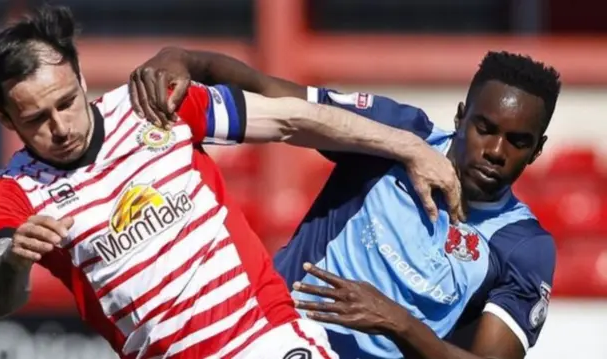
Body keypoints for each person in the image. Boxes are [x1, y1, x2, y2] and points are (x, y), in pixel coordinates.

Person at [0, 5, 464, 359]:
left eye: (65, 102)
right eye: (36, 117)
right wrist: (14, 259)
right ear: (3, 116)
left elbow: (294, 120)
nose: (59, 126)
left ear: (80, 78)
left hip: (266, 339)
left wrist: (409, 147)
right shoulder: (15, 193)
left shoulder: (153, 106)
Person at [129, 48, 560, 359]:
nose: (496, 151)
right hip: (264, 339)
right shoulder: (395, 134)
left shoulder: (524, 246)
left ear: (537, 150)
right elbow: (272, 94)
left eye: (518, 141)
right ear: (461, 115)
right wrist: (185, 60)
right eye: (485, 128)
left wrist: (395, 321)